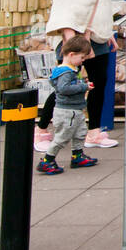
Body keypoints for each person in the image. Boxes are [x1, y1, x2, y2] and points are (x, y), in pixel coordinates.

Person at [43, 0, 119, 149]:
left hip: (97, 37)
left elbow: (103, 6)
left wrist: (108, 31)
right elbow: (63, 12)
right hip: (74, 39)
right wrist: (71, 42)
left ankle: (94, 132)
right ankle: (42, 130)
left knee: (98, 83)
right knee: (64, 85)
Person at [37, 35, 99, 175]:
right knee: (62, 137)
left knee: (80, 132)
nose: (83, 61)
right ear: (71, 54)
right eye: (82, 58)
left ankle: (77, 155)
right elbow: (64, 89)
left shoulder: (69, 70)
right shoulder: (66, 72)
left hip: (74, 110)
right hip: (67, 112)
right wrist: (83, 87)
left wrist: (82, 84)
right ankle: (47, 160)